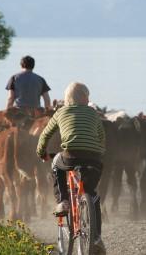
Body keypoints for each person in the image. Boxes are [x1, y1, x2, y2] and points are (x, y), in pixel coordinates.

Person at [36, 82, 106, 254]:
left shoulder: (61, 112)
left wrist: (41, 152)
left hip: (70, 156)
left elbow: (45, 134)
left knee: (55, 164)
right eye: (87, 96)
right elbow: (102, 137)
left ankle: (63, 201)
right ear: (83, 98)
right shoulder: (93, 113)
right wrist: (98, 151)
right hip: (94, 160)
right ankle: (96, 237)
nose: (89, 99)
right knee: (93, 194)